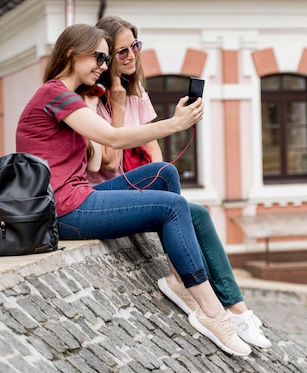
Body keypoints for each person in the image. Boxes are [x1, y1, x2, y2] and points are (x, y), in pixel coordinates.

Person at [14, 23, 252, 357]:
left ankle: (179, 281)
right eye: (99, 56)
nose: (103, 64)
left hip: (77, 195)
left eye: (106, 57)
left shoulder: (71, 98)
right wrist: (175, 123)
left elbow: (100, 160)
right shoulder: (54, 94)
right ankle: (212, 313)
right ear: (71, 53)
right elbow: (112, 139)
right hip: (61, 210)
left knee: (163, 173)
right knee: (173, 207)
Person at [85, 15, 271, 349]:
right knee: (193, 213)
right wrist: (116, 105)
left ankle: (238, 310)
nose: (131, 56)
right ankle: (201, 294)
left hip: (135, 187)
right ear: (105, 57)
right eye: (121, 51)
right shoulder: (95, 98)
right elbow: (109, 161)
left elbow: (154, 151)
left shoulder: (137, 92)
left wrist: (161, 186)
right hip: (105, 192)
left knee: (186, 203)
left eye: (135, 47)